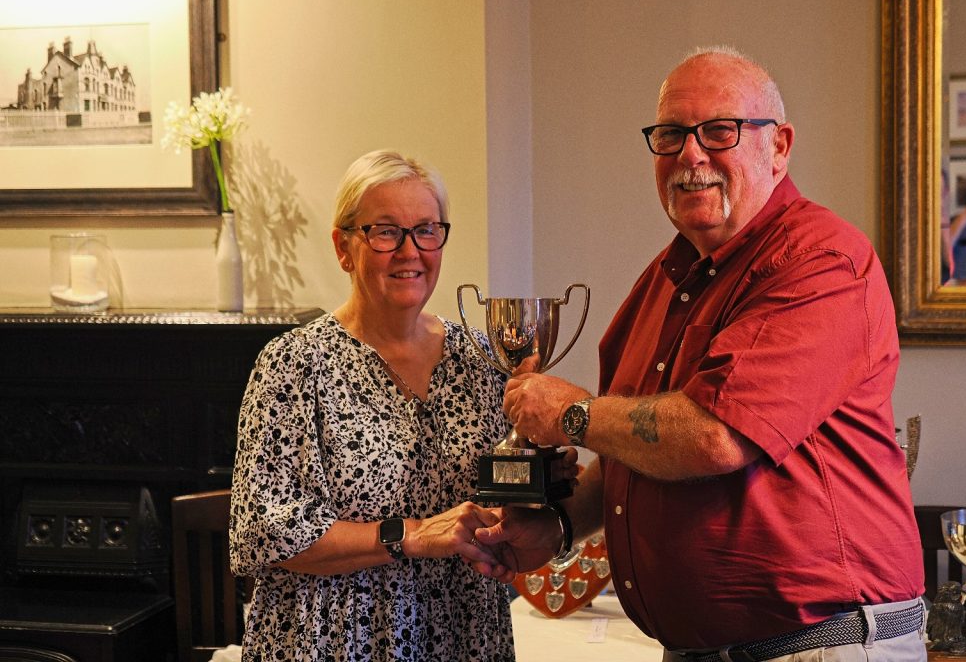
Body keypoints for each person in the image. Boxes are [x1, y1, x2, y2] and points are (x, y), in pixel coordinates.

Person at [473, 47, 927, 662]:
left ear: (780, 146)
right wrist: (556, 528)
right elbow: (629, 452)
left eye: (720, 131)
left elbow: (716, 436)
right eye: (670, 135)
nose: (691, 156)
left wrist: (574, 414)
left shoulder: (820, 261)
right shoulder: (664, 278)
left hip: (818, 647)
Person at [230, 149, 569, 661]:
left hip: (463, 635)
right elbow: (264, 535)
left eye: (427, 230)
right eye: (385, 231)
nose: (409, 251)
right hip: (335, 643)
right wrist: (410, 534)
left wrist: (544, 489)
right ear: (344, 248)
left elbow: (504, 491)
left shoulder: (481, 359)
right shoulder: (294, 366)